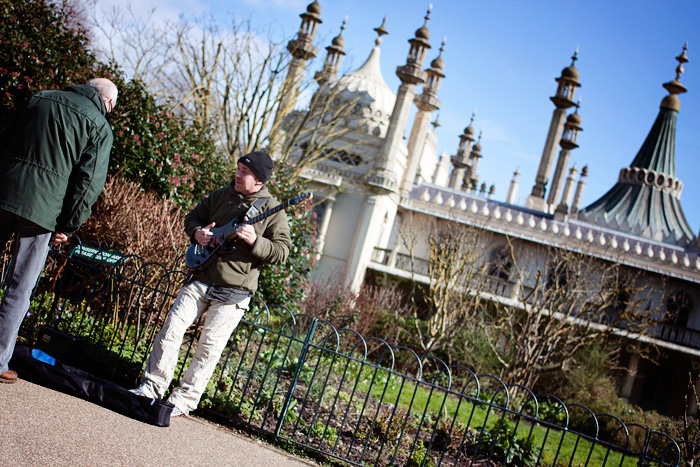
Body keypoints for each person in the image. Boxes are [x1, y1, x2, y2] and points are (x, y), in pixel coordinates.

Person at [131, 151, 291, 417]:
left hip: (235, 291)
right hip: (202, 278)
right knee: (171, 328)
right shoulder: (221, 195)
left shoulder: (273, 211)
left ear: (260, 180)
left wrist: (255, 241)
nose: (238, 175)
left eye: (245, 172)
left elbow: (282, 252)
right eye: (238, 169)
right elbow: (193, 217)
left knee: (208, 349)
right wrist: (197, 233)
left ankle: (183, 401)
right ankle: (151, 387)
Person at [0, 78, 118, 384]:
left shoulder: (40, 97)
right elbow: (87, 185)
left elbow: (3, 135)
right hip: (42, 211)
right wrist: (68, 225)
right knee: (19, 287)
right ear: (107, 103)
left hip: (4, 191)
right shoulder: (99, 125)